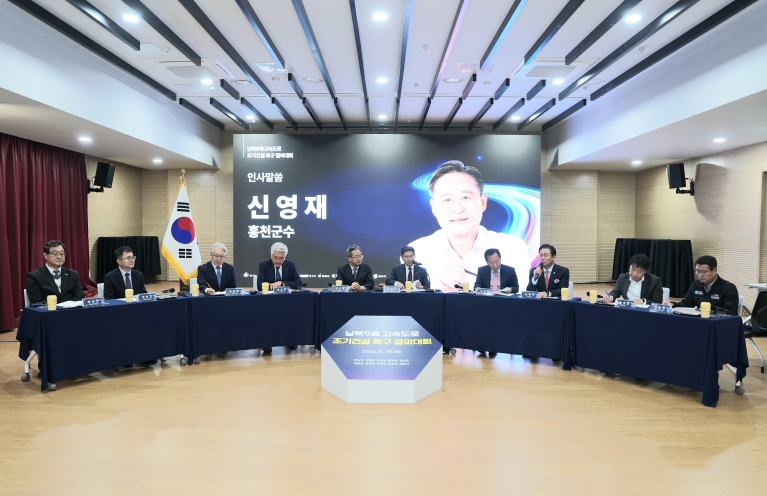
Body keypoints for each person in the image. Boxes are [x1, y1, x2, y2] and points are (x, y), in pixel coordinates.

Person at [409, 160, 531, 292]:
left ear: (482, 202)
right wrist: (434, 291)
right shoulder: (417, 252)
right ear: (434, 208)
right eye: (447, 200)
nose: (457, 209)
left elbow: (518, 301)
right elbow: (410, 302)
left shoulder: (513, 249)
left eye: (465, 197)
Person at [668, 255, 739, 315]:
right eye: (698, 271)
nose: (700, 275)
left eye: (704, 272)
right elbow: (687, 303)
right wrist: (672, 304)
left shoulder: (728, 288)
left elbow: (731, 312)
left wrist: (712, 309)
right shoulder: (696, 284)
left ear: (714, 270)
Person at [26, 240, 84, 304]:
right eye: (55, 254)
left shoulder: (73, 274)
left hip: (71, 309)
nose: (59, 257)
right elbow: (36, 302)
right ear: (45, 255)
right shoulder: (34, 276)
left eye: (62, 254)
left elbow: (79, 297)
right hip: (48, 309)